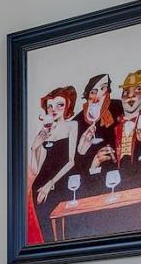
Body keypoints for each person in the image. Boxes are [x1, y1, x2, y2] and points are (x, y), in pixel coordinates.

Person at [28, 85, 79, 232]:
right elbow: (36, 169)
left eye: (59, 105)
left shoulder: (72, 126)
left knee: (65, 226)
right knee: (47, 230)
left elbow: (71, 161)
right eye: (50, 106)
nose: (53, 109)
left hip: (60, 182)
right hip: (40, 184)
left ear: (67, 106)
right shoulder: (45, 131)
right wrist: (34, 148)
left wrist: (50, 183)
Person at [70, 73, 118, 194]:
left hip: (117, 179)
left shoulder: (118, 108)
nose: (98, 95)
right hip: (90, 186)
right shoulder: (76, 123)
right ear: (87, 95)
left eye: (103, 88)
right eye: (93, 91)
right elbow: (72, 173)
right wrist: (84, 155)